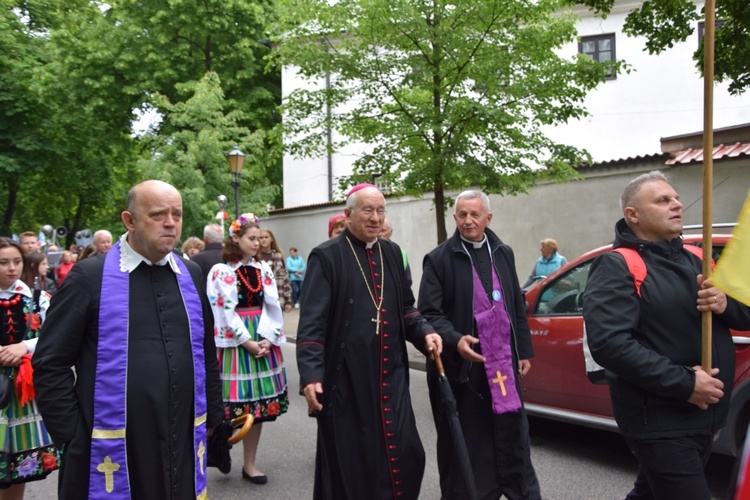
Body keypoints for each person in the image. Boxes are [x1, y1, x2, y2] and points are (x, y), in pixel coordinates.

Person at [33, 180, 225, 500]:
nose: (170, 222)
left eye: (176, 214)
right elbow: (50, 361)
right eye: (158, 214)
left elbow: (205, 351)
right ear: (129, 220)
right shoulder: (89, 277)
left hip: (181, 436)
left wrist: (214, 415)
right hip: (110, 440)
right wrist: (72, 433)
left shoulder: (190, 274)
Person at [583, 171, 750, 500]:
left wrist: (724, 303)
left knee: (648, 493)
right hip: (659, 421)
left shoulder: (696, 259)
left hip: (704, 414)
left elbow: (744, 316)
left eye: (675, 198)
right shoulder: (617, 265)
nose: (677, 205)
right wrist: (686, 383)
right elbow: (609, 344)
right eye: (662, 201)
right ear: (633, 215)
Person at [297, 183, 442, 500]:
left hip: (391, 376)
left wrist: (425, 331)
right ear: (348, 215)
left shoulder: (391, 253)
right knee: (353, 467)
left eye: (381, 210)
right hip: (347, 380)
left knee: (408, 454)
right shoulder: (327, 257)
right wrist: (311, 376)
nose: (376, 218)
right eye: (368, 210)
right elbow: (312, 323)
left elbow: (406, 308)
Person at [418, 189, 541, 499]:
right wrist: (455, 339)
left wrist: (523, 350)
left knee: (510, 433)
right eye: (462, 214)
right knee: (471, 440)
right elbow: (429, 313)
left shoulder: (503, 252)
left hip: (502, 363)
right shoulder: (439, 259)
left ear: (489, 218)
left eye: (475, 214)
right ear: (455, 217)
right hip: (465, 368)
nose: (468, 221)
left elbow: (515, 303)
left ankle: (515, 489)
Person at [206, 213, 289, 485]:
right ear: (236, 238)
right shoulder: (222, 271)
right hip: (236, 340)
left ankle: (250, 464)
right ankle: (217, 450)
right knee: (231, 405)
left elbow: (272, 305)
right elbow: (224, 312)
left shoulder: (263, 268)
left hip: (261, 332)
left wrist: (268, 337)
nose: (257, 243)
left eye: (258, 238)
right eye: (251, 238)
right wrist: (246, 342)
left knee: (257, 408)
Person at [0, 237, 61, 498]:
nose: (11, 268)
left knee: (17, 468)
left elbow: (56, 335)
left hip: (21, 392)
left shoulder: (38, 298)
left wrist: (25, 346)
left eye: (16, 261)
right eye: (3, 263)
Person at [257, 229, 293, 312]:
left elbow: (285, 279)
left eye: (266, 237)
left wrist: (288, 301)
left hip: (277, 296)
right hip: (261, 299)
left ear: (271, 239)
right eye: (261, 237)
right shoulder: (256, 257)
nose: (264, 240)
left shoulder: (278, 256)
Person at [380, 216, 412, 284]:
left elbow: (407, 280)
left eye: (383, 231)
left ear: (390, 232)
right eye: (378, 230)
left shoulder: (400, 252)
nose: (379, 234)